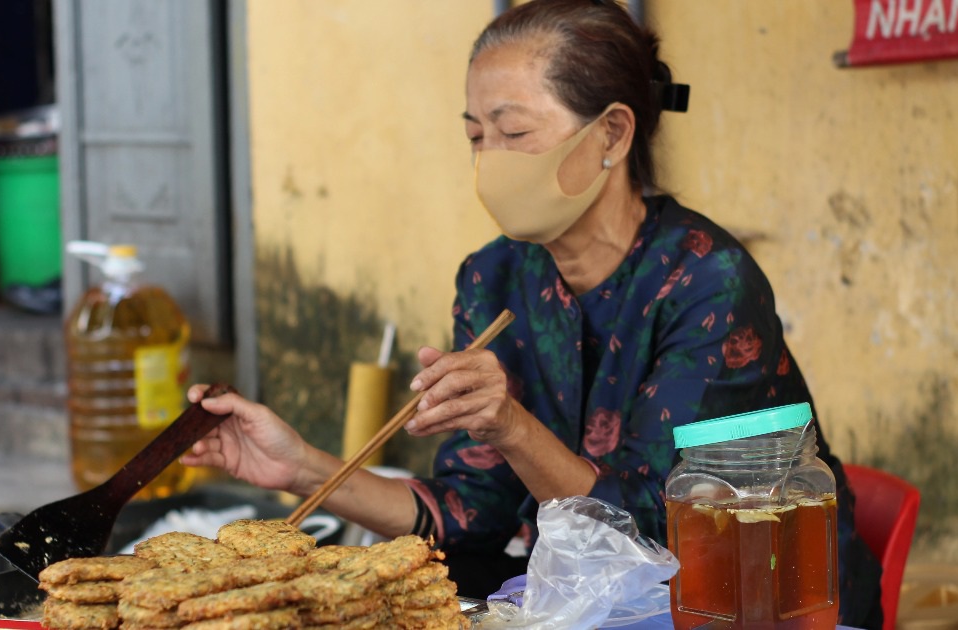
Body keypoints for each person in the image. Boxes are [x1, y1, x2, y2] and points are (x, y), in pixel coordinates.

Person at [182, 0, 883, 626]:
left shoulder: (705, 281)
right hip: (587, 601)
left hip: (750, 600)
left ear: (611, 136)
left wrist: (512, 426)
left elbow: (654, 536)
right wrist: (302, 468)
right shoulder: (492, 279)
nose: (489, 161)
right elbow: (472, 514)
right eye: (475, 137)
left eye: (513, 132)